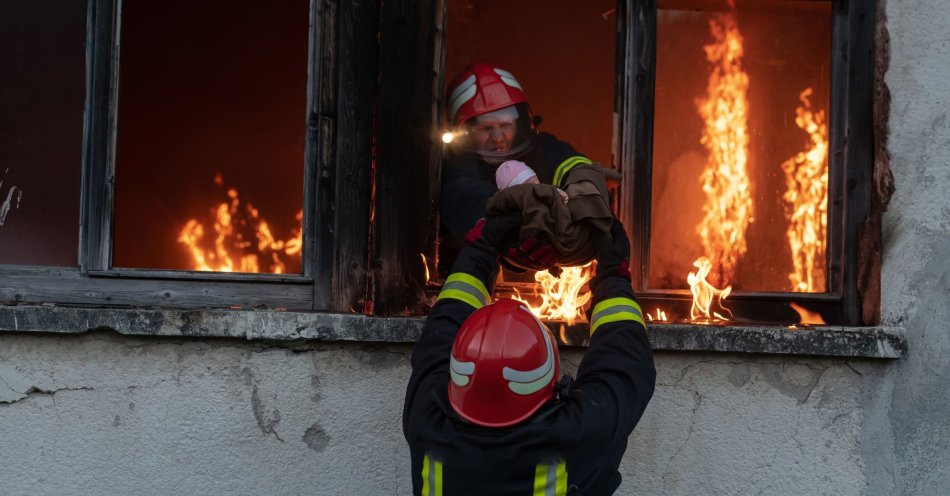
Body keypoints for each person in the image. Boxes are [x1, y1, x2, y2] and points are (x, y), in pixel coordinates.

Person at [403, 213, 656, 495]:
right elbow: (624, 363)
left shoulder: (427, 420)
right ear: (550, 379)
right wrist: (613, 275)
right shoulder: (578, 435)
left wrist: (480, 249)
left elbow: (439, 335)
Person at [441, 62, 609, 271]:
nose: (498, 137)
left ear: (520, 122)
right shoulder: (458, 168)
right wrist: (512, 233)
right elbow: (467, 200)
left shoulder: (540, 146)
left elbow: (571, 163)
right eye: (485, 128)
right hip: (476, 272)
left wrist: (584, 183)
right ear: (464, 131)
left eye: (505, 125)